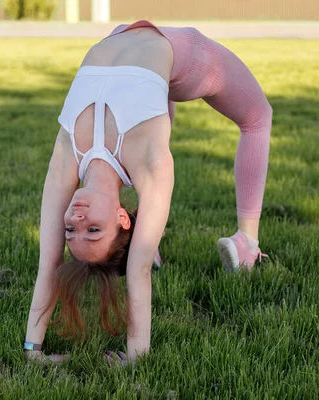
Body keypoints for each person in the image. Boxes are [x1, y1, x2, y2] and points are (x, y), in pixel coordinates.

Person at [23, 20, 272, 365]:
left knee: (169, 110)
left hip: (121, 36)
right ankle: (247, 241)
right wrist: (136, 356)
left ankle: (156, 241)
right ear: (123, 218)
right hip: (175, 50)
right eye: (93, 229)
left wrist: (32, 350)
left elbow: (49, 262)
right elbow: (137, 274)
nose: (77, 219)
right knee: (257, 117)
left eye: (71, 230)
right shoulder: (149, 165)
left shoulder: (68, 157)